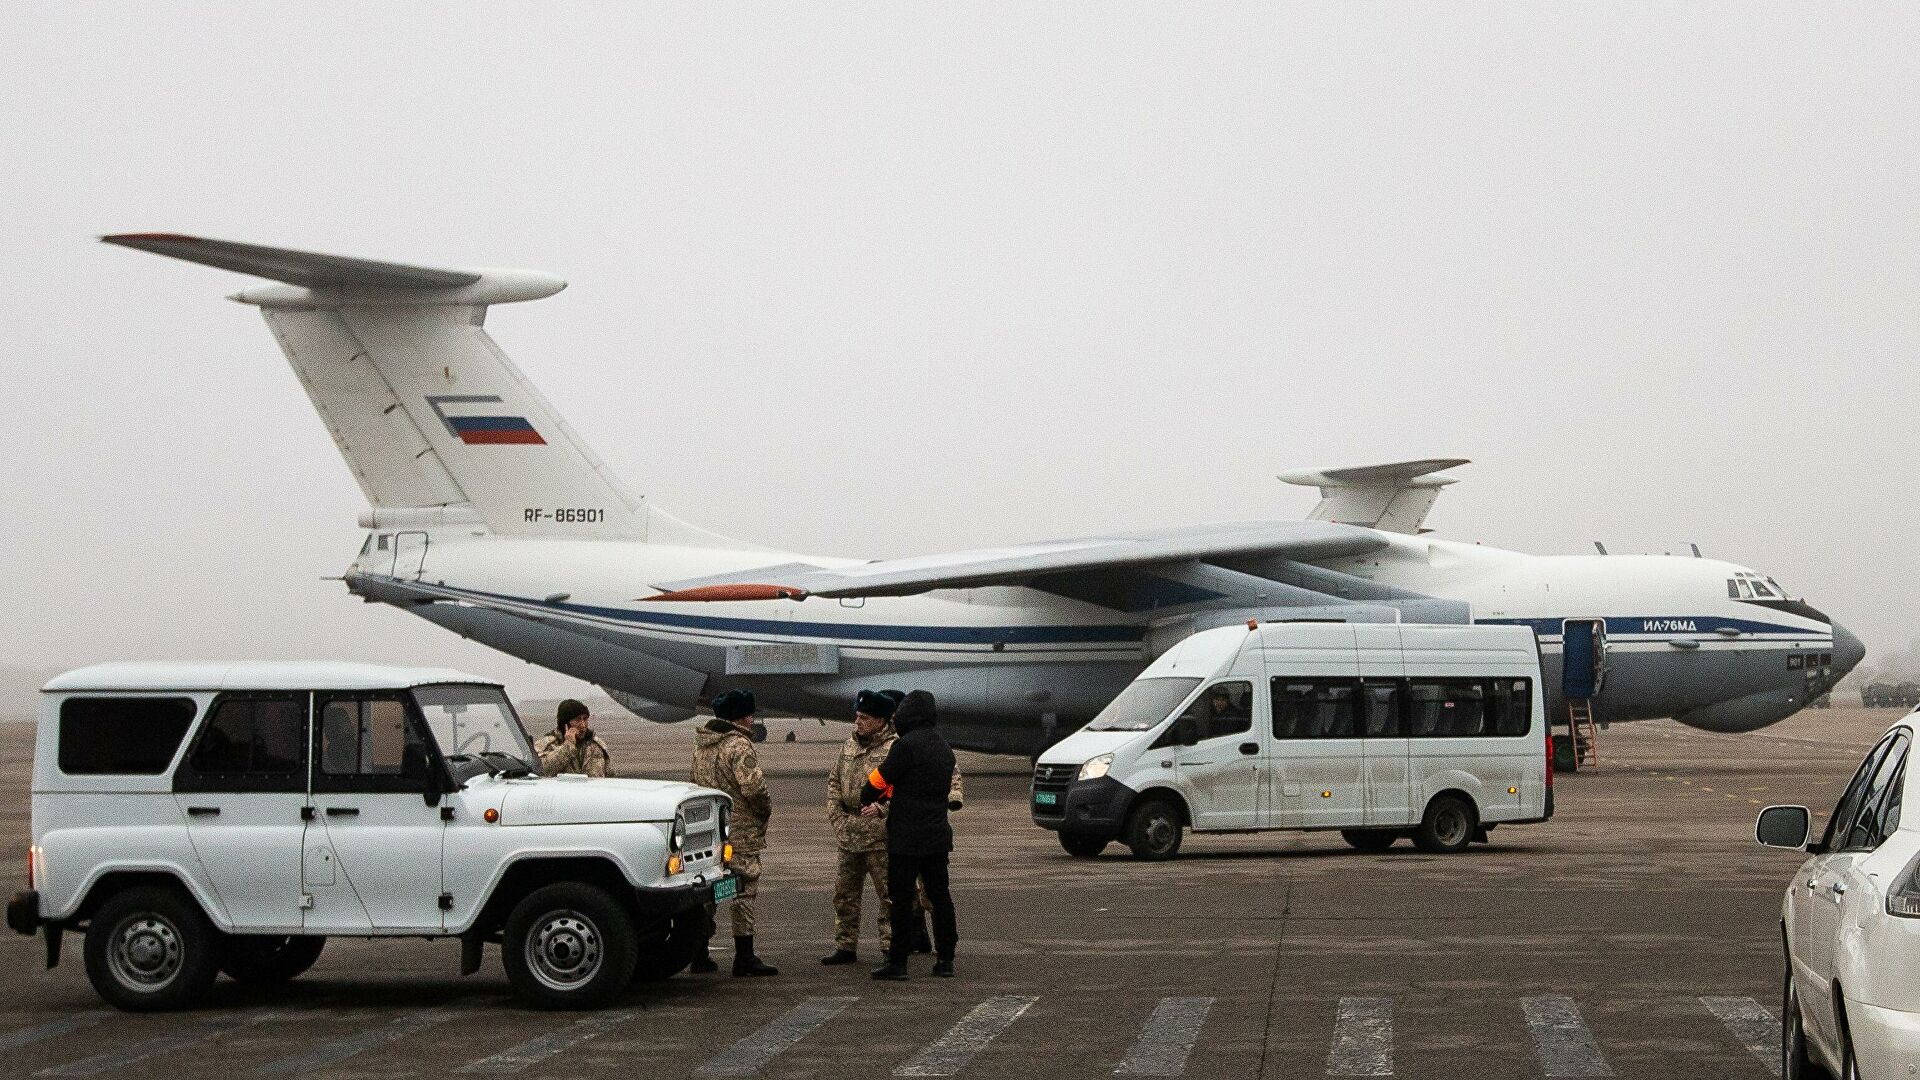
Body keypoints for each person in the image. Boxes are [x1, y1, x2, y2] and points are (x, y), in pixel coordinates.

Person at [861, 690, 958, 980]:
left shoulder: (905, 746)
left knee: (901, 900)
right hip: (937, 835)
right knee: (940, 898)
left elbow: (882, 778)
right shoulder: (944, 748)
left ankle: (898, 961)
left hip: (906, 838)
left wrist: (868, 795)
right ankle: (946, 960)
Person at [690, 688, 778, 976]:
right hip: (740, 831)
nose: (752, 720)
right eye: (749, 715)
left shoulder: (702, 745)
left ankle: (698, 954)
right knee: (743, 889)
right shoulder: (738, 746)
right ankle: (745, 956)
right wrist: (763, 811)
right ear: (740, 717)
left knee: (709, 890)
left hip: (707, 831)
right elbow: (754, 788)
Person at [821, 690, 898, 965]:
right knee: (844, 894)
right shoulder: (848, 746)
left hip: (880, 835)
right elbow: (833, 782)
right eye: (857, 717)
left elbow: (903, 790)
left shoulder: (894, 749)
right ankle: (845, 946)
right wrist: (837, 818)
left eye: (864, 718)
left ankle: (891, 948)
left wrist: (883, 810)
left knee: (889, 896)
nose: (858, 722)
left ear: (881, 720)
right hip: (849, 832)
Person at [532, 699, 610, 777]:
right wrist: (567, 746)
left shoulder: (596, 746)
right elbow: (541, 771)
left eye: (585, 719)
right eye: (578, 720)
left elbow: (610, 776)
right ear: (565, 723)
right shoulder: (547, 745)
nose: (583, 725)